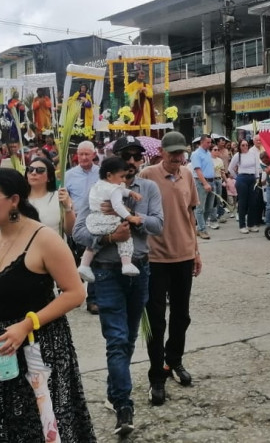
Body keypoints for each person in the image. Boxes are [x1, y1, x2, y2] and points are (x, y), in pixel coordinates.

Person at [0, 168, 95, 441]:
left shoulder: (44, 239)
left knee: (42, 424)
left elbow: (75, 293)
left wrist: (26, 324)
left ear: (14, 200)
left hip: (39, 346)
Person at [74, 136, 163, 433]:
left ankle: (115, 391)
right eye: (126, 155)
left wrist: (132, 217)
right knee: (116, 339)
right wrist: (109, 237)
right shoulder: (97, 190)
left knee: (127, 340)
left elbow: (158, 226)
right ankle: (124, 406)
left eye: (137, 156)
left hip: (140, 269)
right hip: (107, 272)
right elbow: (78, 233)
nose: (132, 161)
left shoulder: (147, 189)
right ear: (115, 159)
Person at [137, 131, 198, 407]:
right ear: (161, 152)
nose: (177, 158)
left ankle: (174, 361)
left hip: (184, 254)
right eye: (172, 153)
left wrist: (196, 252)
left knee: (181, 315)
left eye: (180, 153)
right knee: (156, 319)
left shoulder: (187, 175)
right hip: (155, 257)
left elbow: (191, 215)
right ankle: (156, 376)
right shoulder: (147, 175)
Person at [77, 157, 145, 281]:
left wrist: (130, 193)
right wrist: (131, 217)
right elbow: (118, 206)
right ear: (109, 175)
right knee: (125, 236)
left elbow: (121, 190)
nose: (124, 180)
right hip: (108, 220)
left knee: (93, 245)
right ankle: (126, 263)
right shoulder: (114, 189)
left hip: (93, 220)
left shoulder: (98, 185)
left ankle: (84, 265)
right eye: (121, 177)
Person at [65, 140, 100, 313]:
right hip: (76, 222)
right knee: (75, 259)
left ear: (94, 155)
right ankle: (75, 294)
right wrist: (70, 208)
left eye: (87, 154)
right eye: (81, 154)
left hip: (95, 222)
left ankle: (93, 299)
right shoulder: (69, 175)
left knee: (93, 258)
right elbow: (65, 196)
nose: (84, 157)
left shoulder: (102, 174)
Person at [26, 156, 75, 237]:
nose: (33, 173)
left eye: (40, 170)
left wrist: (68, 208)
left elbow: (70, 231)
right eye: (30, 169)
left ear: (49, 177)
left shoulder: (60, 197)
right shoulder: (19, 199)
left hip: (54, 247)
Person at [229, 138, 261, 234]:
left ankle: (251, 224)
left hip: (252, 178)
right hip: (242, 178)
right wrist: (236, 177)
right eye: (242, 145)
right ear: (239, 146)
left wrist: (257, 177)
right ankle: (242, 225)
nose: (245, 147)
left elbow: (256, 166)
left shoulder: (253, 154)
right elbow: (230, 168)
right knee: (243, 202)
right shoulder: (237, 156)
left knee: (253, 202)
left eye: (246, 145)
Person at [189, 135, 217, 238]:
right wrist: (205, 183)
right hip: (201, 182)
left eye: (210, 142)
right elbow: (198, 170)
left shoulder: (208, 153)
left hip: (211, 181)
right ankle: (202, 229)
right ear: (202, 142)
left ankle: (201, 227)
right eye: (207, 142)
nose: (209, 144)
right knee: (200, 208)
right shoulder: (196, 154)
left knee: (209, 207)